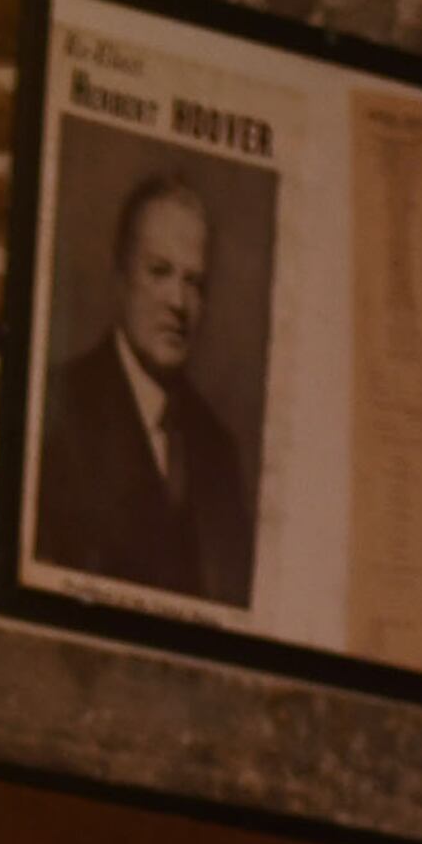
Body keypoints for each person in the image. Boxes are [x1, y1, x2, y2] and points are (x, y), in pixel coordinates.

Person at [31, 170, 254, 606]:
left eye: (194, 283)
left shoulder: (218, 451)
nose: (178, 302)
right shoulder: (56, 409)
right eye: (159, 272)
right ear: (120, 278)